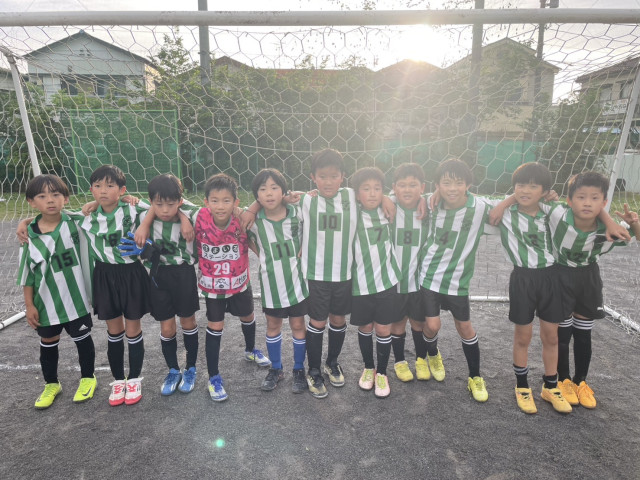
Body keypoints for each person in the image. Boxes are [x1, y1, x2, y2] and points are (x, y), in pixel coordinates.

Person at [544, 172, 639, 409]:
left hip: (588, 279)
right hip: (559, 276)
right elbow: (532, 200)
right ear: (569, 200)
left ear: (604, 202)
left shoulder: (611, 229)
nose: (587, 203)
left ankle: (580, 381)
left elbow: (636, 237)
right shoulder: (557, 214)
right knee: (562, 333)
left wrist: (634, 223)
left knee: (583, 333)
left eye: (595, 198)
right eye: (581, 197)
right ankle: (563, 380)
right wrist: (547, 195)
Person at [488, 163, 570, 414]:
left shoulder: (552, 211)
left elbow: (576, 213)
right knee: (523, 335)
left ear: (544, 191)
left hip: (551, 277)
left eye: (533, 186)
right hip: (522, 279)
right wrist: (505, 202)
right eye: (520, 185)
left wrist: (551, 198)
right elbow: (485, 208)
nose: (525, 190)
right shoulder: (506, 213)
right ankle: (522, 386)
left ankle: (550, 386)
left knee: (551, 336)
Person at [17, 174, 96, 409]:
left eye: (55, 194)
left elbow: (104, 207)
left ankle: (88, 378)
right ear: (31, 202)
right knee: (48, 341)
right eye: (42, 196)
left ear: (66, 198)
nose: (50, 200)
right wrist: (29, 305)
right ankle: (51, 383)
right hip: (45, 303)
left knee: (82, 339)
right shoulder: (28, 236)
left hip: (76, 299)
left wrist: (128, 198)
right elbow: (27, 275)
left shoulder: (75, 222)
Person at [75, 165, 151, 406]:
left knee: (133, 328)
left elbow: (158, 208)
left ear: (122, 190)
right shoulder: (86, 215)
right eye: (97, 186)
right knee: (114, 331)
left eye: (110, 186)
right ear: (91, 190)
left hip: (131, 273)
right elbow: (54, 215)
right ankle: (118, 380)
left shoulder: (132, 208)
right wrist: (25, 222)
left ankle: (135, 378)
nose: (103, 190)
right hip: (105, 276)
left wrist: (140, 212)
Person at [418, 158, 493, 402]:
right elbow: (403, 194)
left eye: (458, 183)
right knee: (432, 326)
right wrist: (425, 197)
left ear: (468, 185)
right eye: (446, 183)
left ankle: (475, 377)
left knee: (465, 327)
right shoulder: (430, 204)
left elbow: (518, 203)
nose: (452, 188)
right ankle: (432, 354)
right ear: (437, 185)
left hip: (458, 281)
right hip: (430, 276)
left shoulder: (480, 207)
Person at [196, 173, 271, 402]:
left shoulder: (242, 219)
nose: (220, 206)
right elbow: (173, 204)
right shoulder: (198, 216)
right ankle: (213, 377)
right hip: (213, 287)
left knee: (248, 316)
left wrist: (252, 208)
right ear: (206, 202)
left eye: (226, 200)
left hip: (239, 283)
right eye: (215, 200)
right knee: (215, 326)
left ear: (236, 202)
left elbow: (270, 201)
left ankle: (250, 350)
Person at [132, 174, 201, 396]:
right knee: (167, 327)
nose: (164, 209)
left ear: (180, 201)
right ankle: (173, 370)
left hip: (184, 273)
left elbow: (199, 207)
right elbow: (121, 200)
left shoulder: (190, 213)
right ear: (151, 201)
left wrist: (182, 216)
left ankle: (191, 368)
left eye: (171, 204)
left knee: (188, 322)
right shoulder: (143, 214)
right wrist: (145, 223)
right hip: (158, 275)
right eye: (158, 204)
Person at [247, 168, 308, 393]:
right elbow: (236, 220)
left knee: (298, 325)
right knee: (273, 326)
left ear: (283, 191)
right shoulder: (254, 221)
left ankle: (299, 369)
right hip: (271, 284)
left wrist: (290, 197)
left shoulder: (297, 213)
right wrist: (253, 208)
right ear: (257, 196)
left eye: (274, 188)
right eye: (263, 189)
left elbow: (313, 196)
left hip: (297, 284)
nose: (269, 193)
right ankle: (276, 368)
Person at [350, 167, 402, 398]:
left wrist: (388, 198)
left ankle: (382, 372)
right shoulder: (351, 213)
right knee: (365, 328)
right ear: (356, 193)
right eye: (366, 188)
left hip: (386, 281)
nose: (372, 193)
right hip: (360, 284)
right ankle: (368, 368)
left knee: (382, 329)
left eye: (377, 188)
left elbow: (415, 196)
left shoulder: (389, 209)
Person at [388, 163, 431, 383]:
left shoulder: (429, 210)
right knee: (397, 324)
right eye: (402, 185)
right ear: (394, 187)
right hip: (395, 281)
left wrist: (426, 199)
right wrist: (386, 198)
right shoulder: (388, 206)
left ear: (422, 187)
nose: (407, 189)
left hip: (418, 280)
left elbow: (443, 197)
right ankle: (400, 361)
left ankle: (421, 360)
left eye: (413, 185)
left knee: (419, 323)